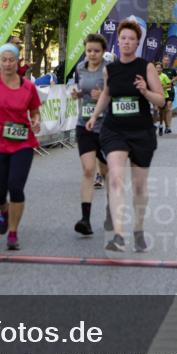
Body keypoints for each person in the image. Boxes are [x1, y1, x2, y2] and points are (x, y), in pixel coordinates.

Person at [85, 21, 166, 253]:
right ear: (118, 41)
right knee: (116, 178)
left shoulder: (146, 67)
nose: (126, 42)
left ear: (137, 43)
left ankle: (138, 230)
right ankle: (119, 235)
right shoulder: (110, 68)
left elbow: (160, 101)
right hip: (115, 130)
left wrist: (145, 91)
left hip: (141, 131)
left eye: (131, 39)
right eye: (123, 38)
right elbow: (107, 95)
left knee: (139, 186)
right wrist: (94, 116)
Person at [0, 44, 41, 251]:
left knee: (16, 187)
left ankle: (13, 232)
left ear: (18, 61)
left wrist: (35, 121)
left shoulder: (28, 87)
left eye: (11, 60)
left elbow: (35, 112)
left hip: (22, 143)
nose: (7, 64)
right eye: (3, 60)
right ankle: (5, 210)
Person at [71, 34, 112, 236]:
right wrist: (78, 94)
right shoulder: (80, 68)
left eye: (96, 51)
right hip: (84, 125)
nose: (92, 54)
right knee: (88, 170)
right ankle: (85, 220)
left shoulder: (109, 69)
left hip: (106, 126)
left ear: (103, 51)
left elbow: (115, 94)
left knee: (107, 173)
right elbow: (83, 90)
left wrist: (104, 96)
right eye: (89, 50)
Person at [159, 55, 177, 135]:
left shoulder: (172, 70)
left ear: (169, 61)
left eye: (167, 60)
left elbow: (176, 77)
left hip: (170, 90)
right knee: (163, 110)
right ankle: (165, 125)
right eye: (165, 60)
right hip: (161, 91)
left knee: (169, 106)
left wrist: (171, 80)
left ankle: (168, 127)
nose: (166, 61)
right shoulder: (159, 69)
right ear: (162, 61)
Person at [155, 62, 173, 136]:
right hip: (154, 96)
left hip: (164, 96)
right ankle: (159, 125)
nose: (158, 69)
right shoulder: (152, 76)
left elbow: (170, 85)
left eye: (159, 68)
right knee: (157, 110)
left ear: (162, 69)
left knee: (162, 111)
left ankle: (162, 125)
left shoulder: (164, 76)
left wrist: (162, 87)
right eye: (157, 68)